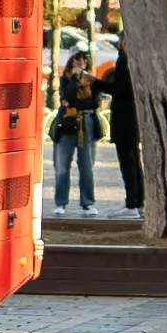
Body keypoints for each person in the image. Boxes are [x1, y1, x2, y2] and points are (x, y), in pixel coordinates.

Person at [48, 44, 101, 214]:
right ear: (71, 60)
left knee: (87, 166)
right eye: (78, 57)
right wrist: (76, 79)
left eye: (85, 58)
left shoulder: (92, 80)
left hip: (87, 123)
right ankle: (60, 203)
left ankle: (88, 202)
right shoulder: (66, 79)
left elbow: (94, 103)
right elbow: (67, 95)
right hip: (67, 124)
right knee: (62, 166)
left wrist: (74, 104)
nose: (82, 61)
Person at [96, 44, 141, 214]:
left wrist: (95, 83)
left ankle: (132, 204)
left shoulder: (124, 61)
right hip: (133, 118)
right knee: (134, 162)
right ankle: (138, 201)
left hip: (124, 119)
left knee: (128, 162)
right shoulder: (136, 59)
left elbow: (119, 89)